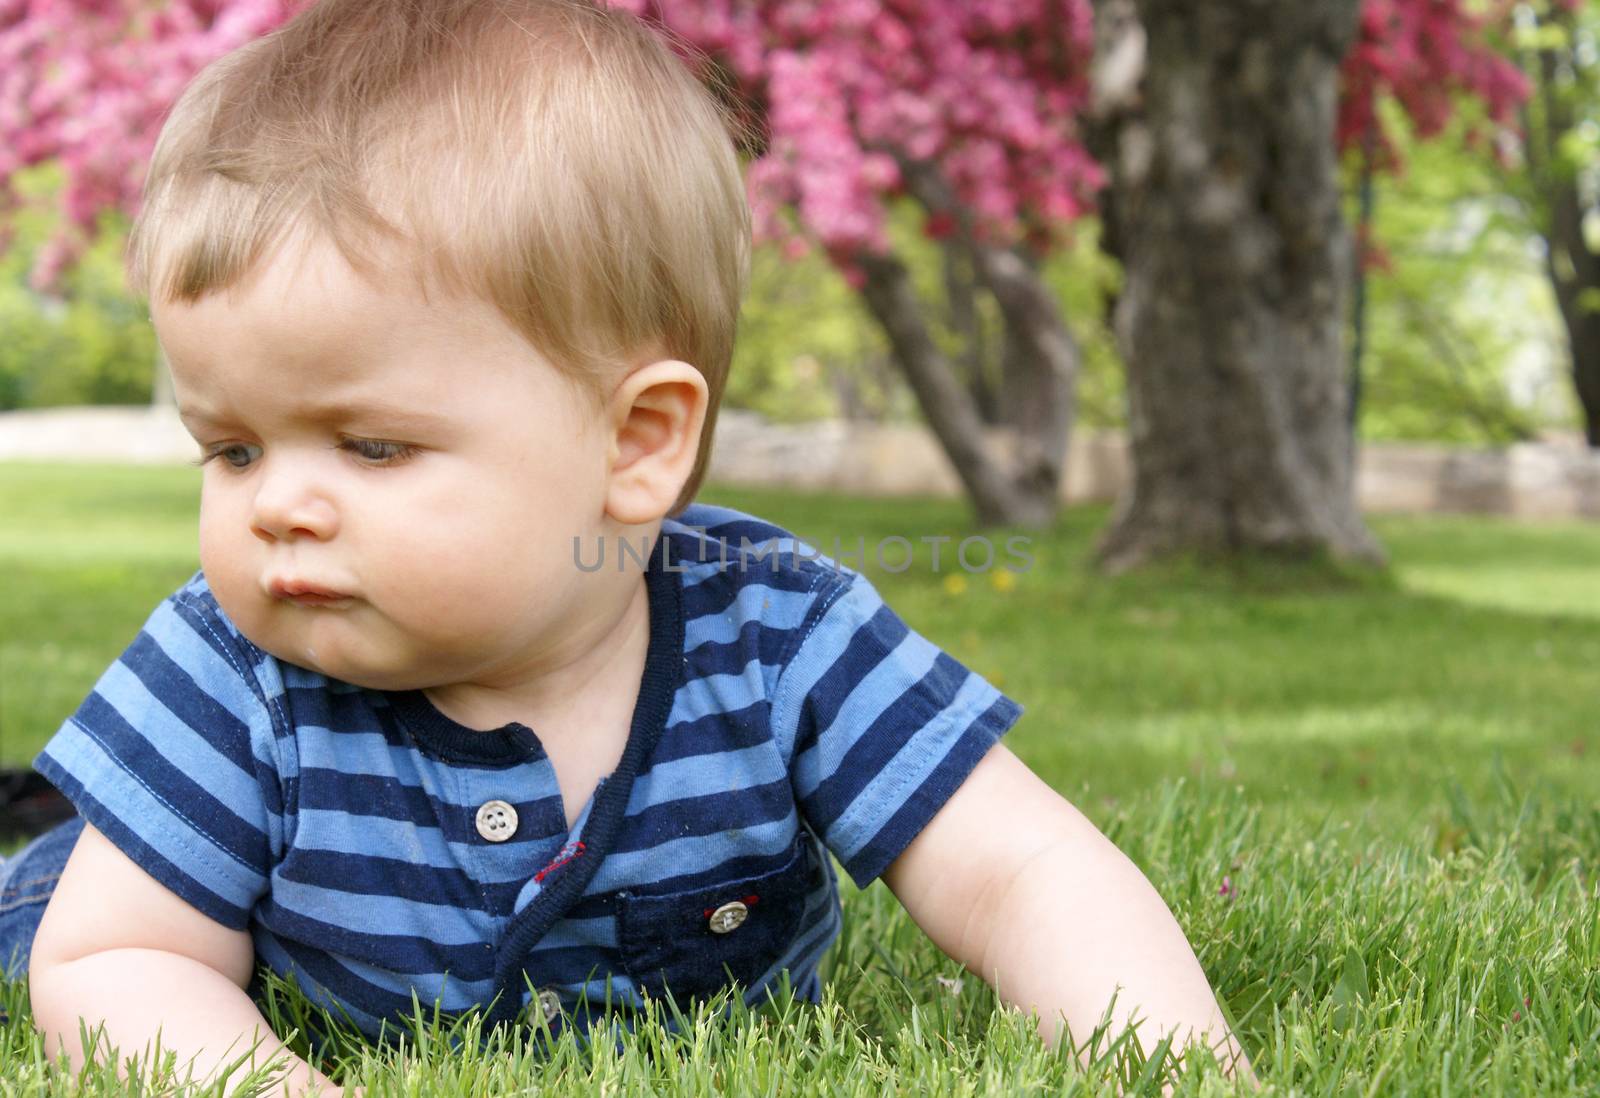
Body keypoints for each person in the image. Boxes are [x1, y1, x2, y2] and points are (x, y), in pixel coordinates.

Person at [0, 1, 1257, 1094]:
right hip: (114, 889)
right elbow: (121, 958)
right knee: (57, 893)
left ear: (636, 443)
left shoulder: (773, 628)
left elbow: (1020, 867)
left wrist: (1160, 1061)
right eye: (232, 449)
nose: (279, 507)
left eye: (370, 448)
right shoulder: (232, 667)